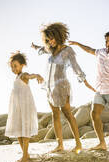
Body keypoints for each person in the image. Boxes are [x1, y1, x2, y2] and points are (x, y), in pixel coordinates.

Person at [31, 22, 96, 153]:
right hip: (49, 87)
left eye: (52, 38)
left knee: (67, 114)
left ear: (58, 36)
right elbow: (42, 49)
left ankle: (78, 144)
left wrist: (85, 81)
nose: (51, 42)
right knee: (55, 115)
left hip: (62, 86)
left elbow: (76, 67)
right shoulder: (50, 49)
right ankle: (59, 145)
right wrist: (35, 47)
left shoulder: (68, 51)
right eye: (48, 40)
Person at [5, 52, 44, 162]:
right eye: (12, 67)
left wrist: (37, 75)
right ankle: (25, 154)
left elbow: (30, 76)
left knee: (24, 129)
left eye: (15, 66)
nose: (13, 69)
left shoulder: (23, 75)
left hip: (25, 106)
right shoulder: (17, 77)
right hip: (17, 107)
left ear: (22, 65)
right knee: (18, 130)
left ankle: (25, 156)